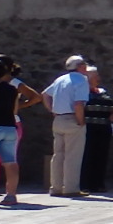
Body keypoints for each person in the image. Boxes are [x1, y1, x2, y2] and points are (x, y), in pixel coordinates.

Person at [0, 58, 43, 206]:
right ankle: (11, 195)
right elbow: (14, 111)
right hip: (10, 128)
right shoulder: (12, 90)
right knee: (11, 162)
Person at [42, 55, 91, 198]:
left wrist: (52, 110)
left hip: (58, 118)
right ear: (80, 66)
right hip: (72, 118)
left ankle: (56, 187)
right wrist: (80, 121)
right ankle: (71, 188)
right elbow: (79, 104)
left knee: (58, 155)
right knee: (73, 155)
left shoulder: (60, 79)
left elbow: (45, 95)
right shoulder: (81, 80)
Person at [80, 67, 113, 194]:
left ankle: (98, 184)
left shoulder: (103, 92)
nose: (98, 79)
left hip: (104, 127)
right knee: (87, 155)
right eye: (95, 76)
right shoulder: (82, 92)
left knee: (101, 156)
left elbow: (111, 106)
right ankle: (85, 184)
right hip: (89, 127)